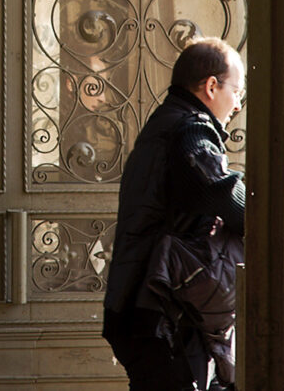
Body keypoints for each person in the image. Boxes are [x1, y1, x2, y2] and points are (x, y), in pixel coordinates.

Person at [103, 37, 246, 391]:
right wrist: (271, 216)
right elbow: (219, 191)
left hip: (143, 307)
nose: (238, 104)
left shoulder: (166, 125)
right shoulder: (189, 129)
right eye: (236, 91)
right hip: (162, 313)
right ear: (211, 86)